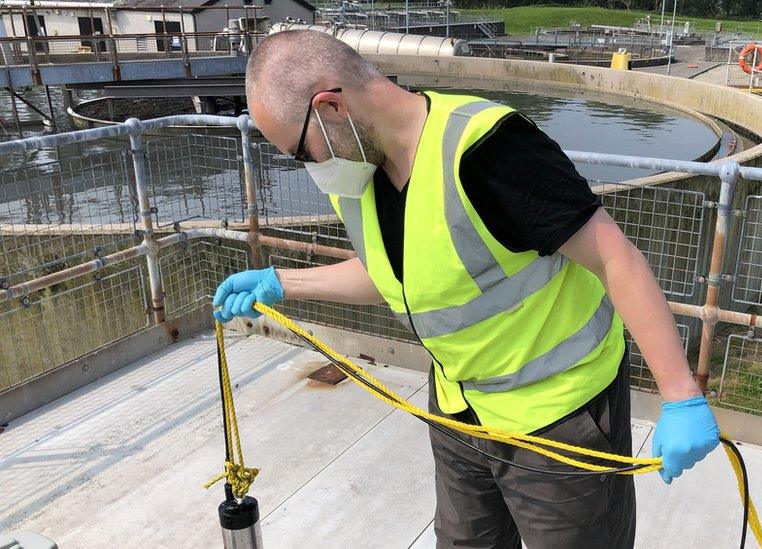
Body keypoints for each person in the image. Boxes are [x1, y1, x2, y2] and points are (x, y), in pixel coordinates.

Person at [213, 29, 720, 548]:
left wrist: (679, 395)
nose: (309, 165)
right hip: (460, 414)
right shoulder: (359, 177)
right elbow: (401, 275)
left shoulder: (486, 148)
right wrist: (283, 283)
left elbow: (615, 258)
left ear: (331, 108)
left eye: (301, 150)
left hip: (561, 420)